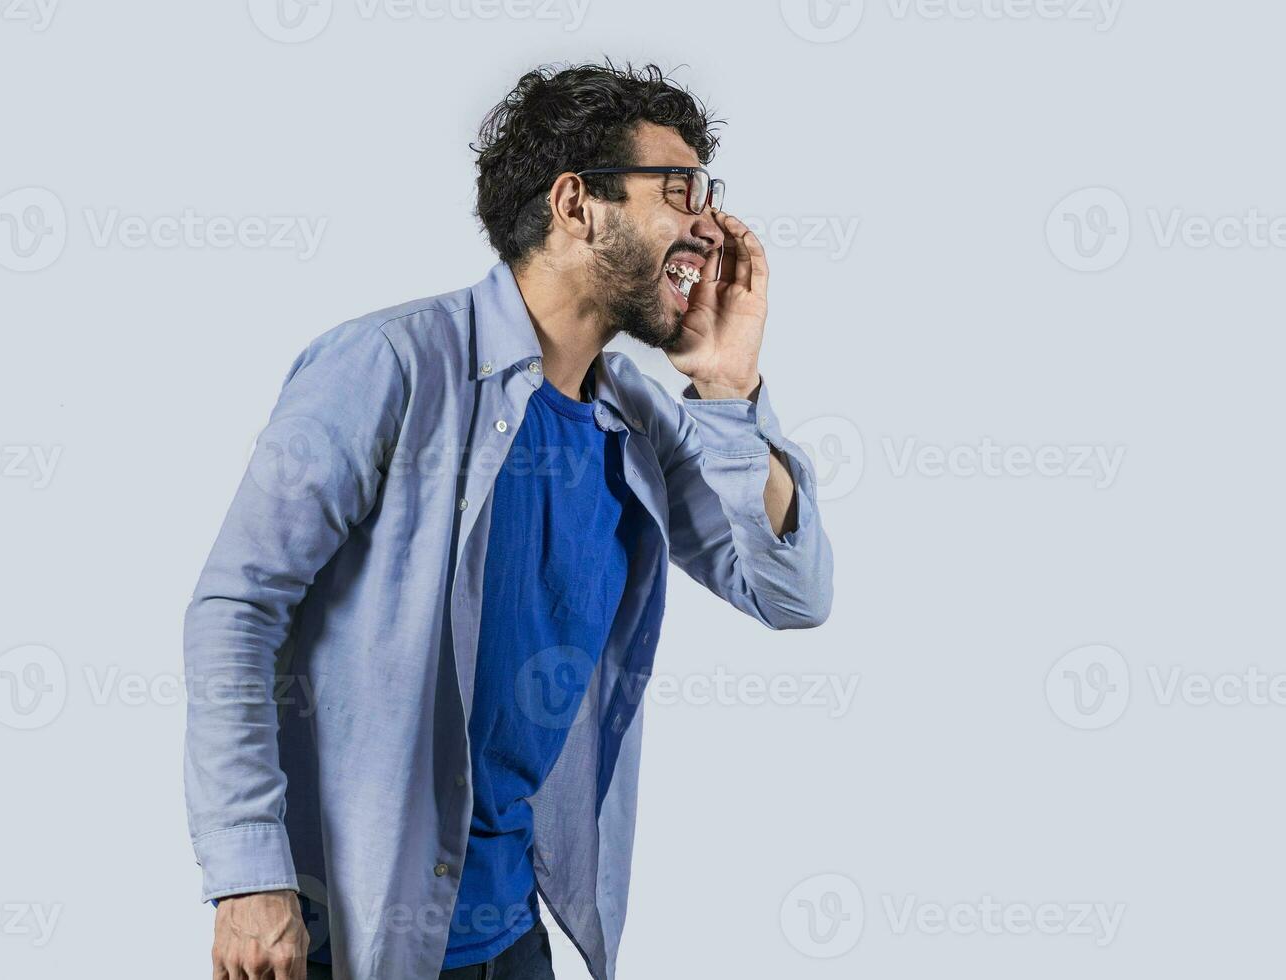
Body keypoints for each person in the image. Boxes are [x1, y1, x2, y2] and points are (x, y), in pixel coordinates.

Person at [185, 61, 833, 980]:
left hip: (509, 936)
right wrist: (248, 875)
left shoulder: (639, 423)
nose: (708, 225)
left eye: (708, 193)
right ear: (576, 204)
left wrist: (728, 389)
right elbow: (235, 608)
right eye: (678, 190)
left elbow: (789, 591)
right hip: (345, 934)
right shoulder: (389, 366)